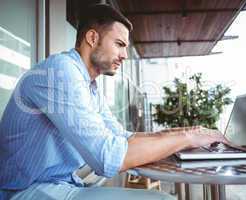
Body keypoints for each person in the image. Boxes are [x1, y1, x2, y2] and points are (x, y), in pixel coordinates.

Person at [0, 4, 227, 200]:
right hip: (27, 192)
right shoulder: (60, 71)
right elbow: (107, 157)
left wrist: (187, 133)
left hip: (61, 186)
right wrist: (187, 138)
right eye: (119, 44)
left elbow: (122, 137)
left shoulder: (89, 86)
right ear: (92, 38)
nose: (125, 55)